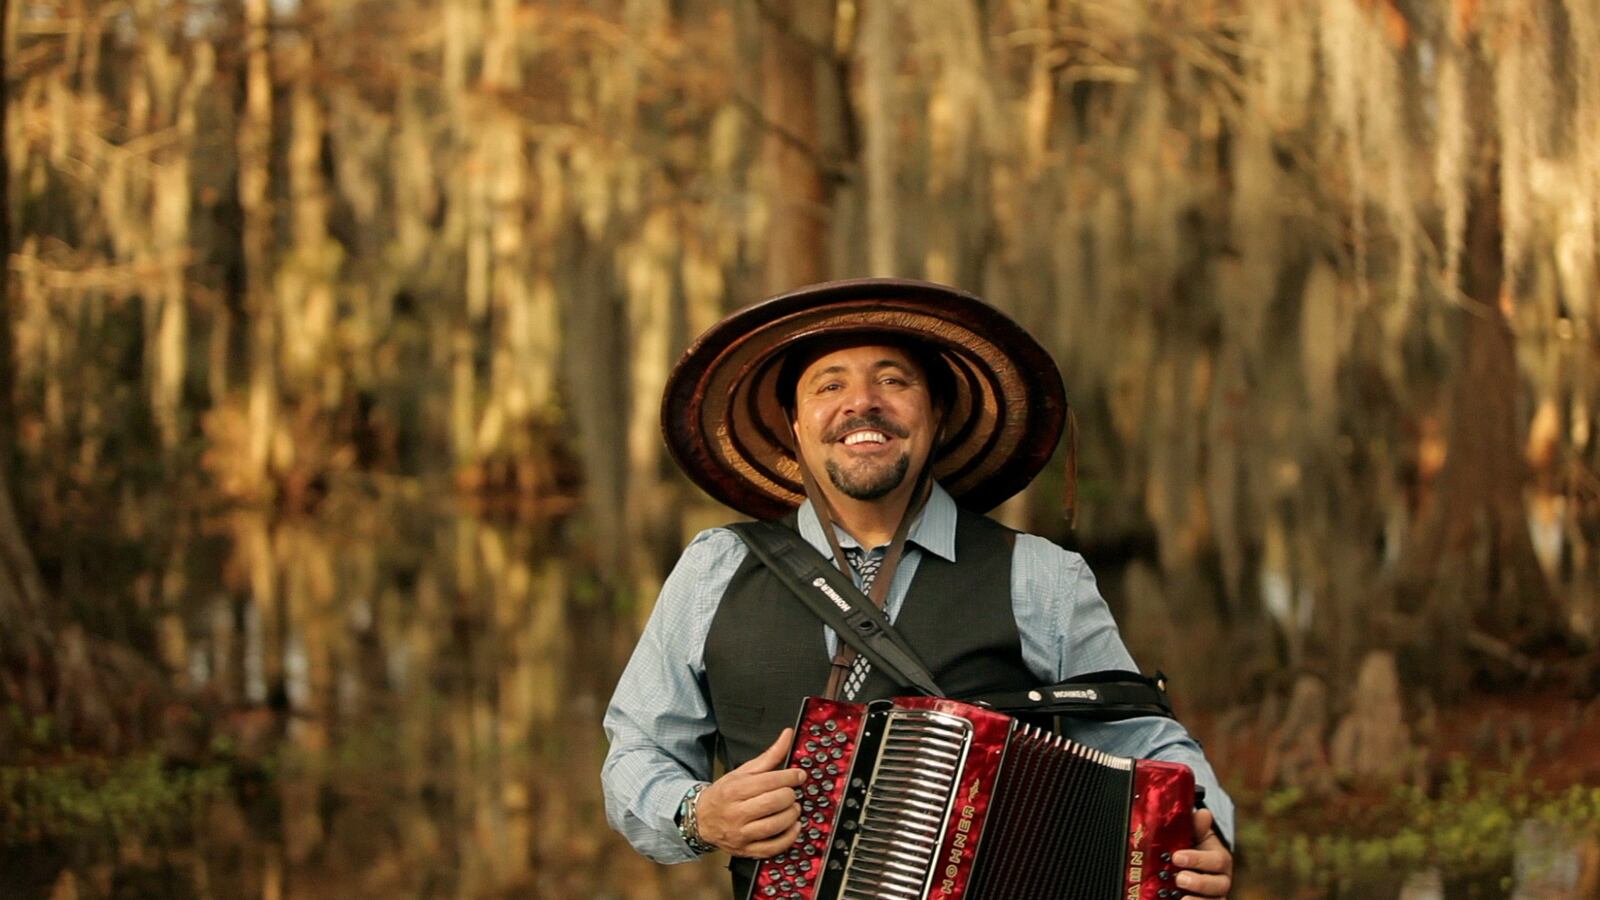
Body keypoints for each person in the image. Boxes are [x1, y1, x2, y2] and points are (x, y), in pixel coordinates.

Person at [602, 278, 1235, 897]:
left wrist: (1211, 834)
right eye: (830, 385)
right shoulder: (715, 569)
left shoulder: (1039, 575)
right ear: (794, 426)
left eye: (893, 380)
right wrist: (696, 813)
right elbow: (638, 751)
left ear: (935, 415)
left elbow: (1146, 741)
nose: (862, 403)